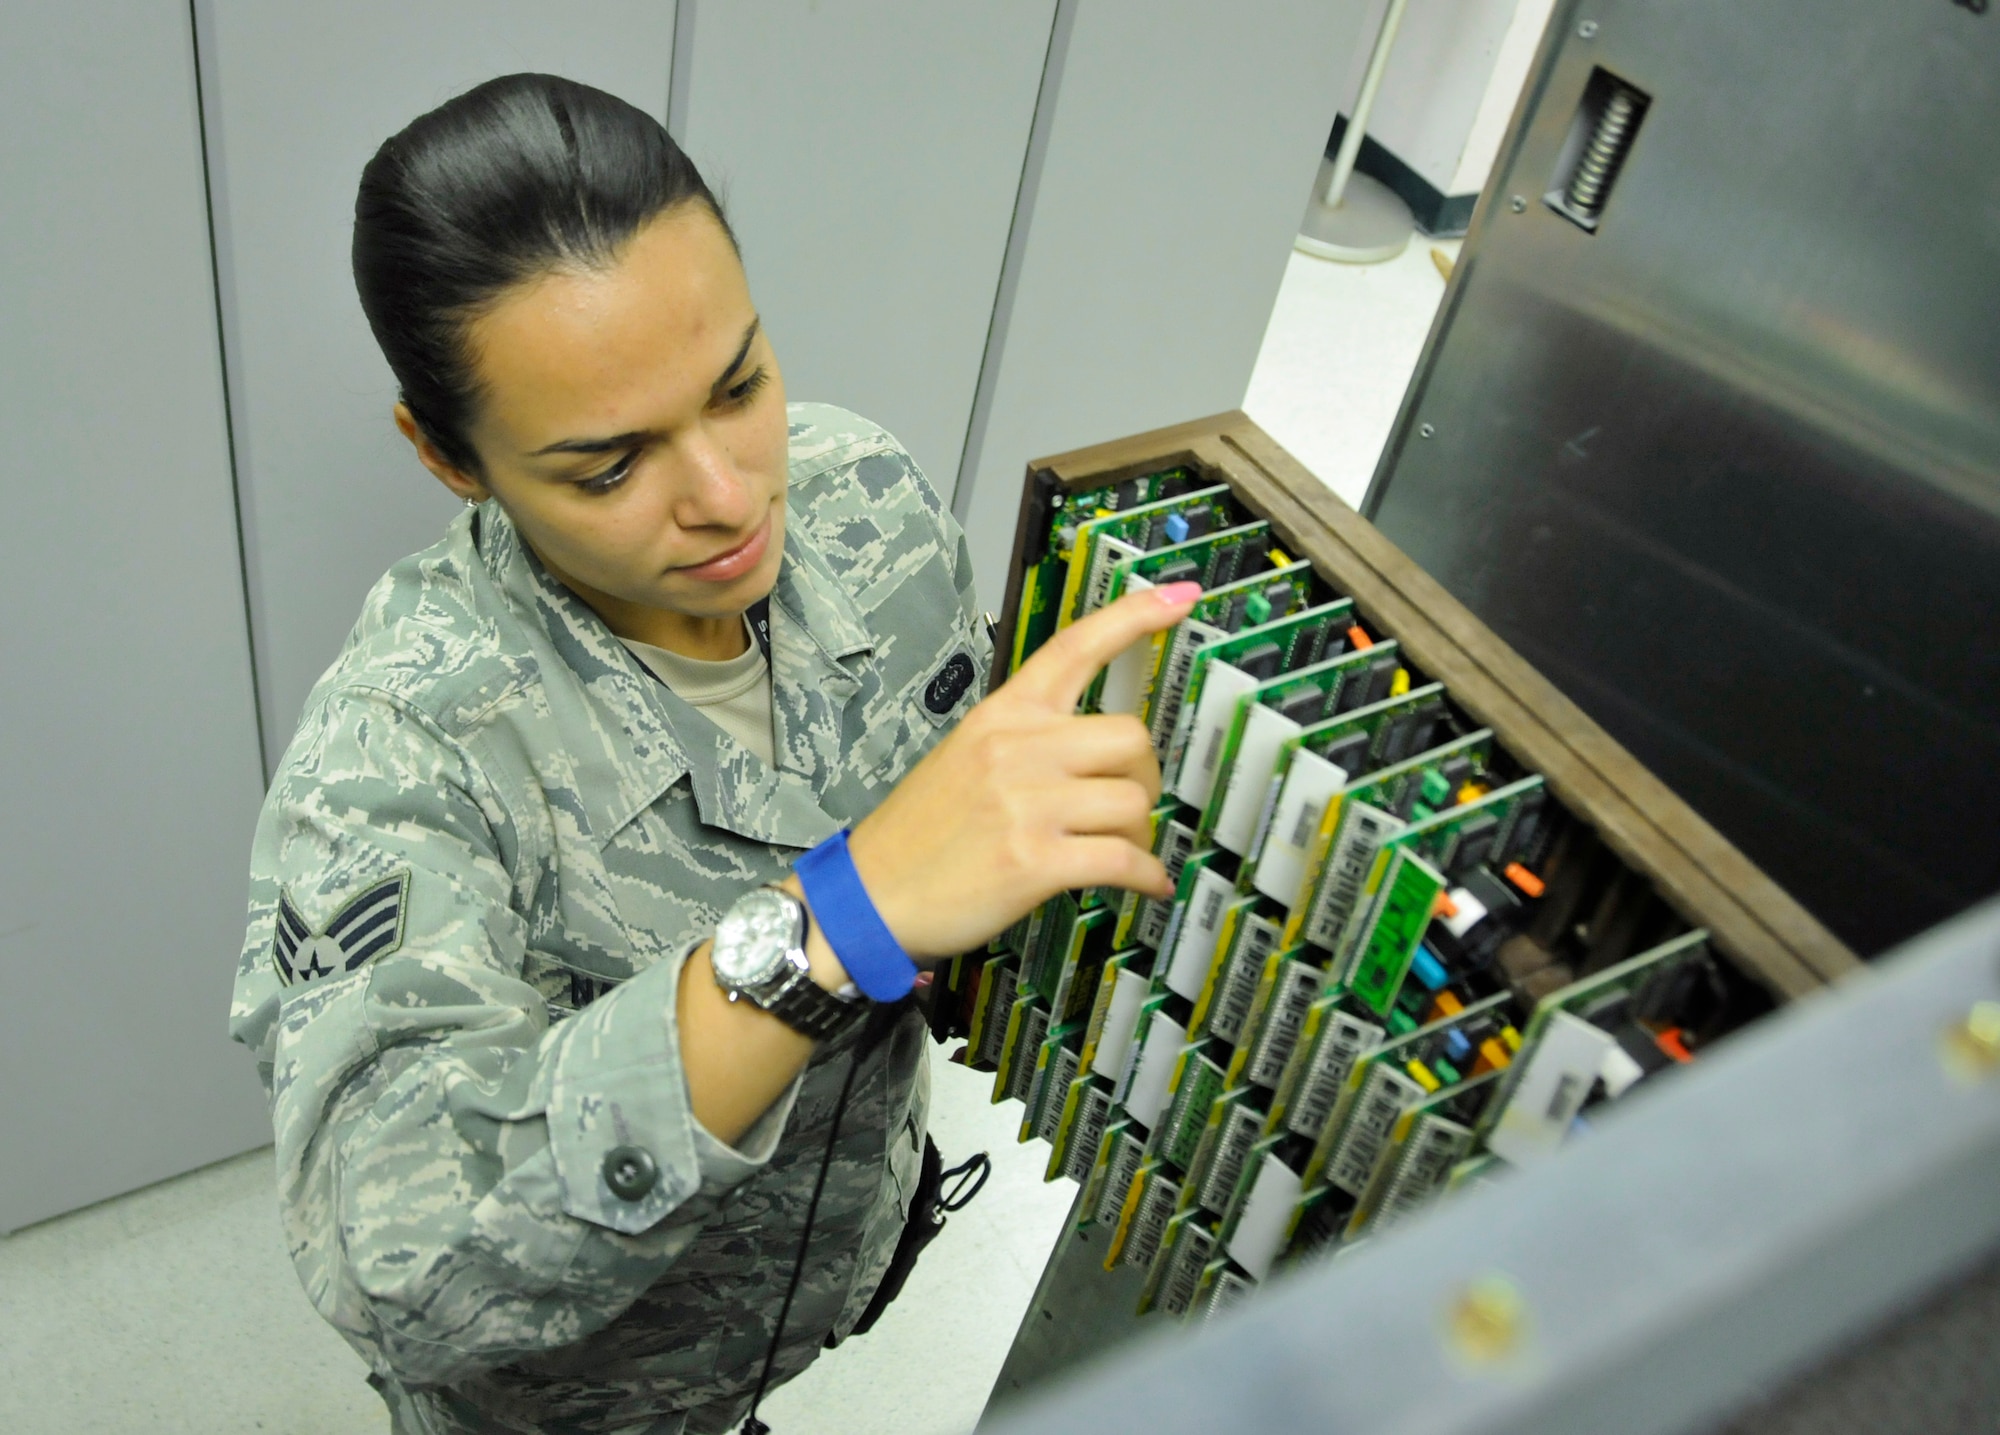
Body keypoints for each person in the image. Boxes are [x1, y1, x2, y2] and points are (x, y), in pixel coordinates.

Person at [229, 73, 1199, 1435]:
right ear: (450, 457)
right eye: (607, 467)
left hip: (806, 1287)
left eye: (739, 384)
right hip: (586, 1397)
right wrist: (837, 918)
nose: (732, 496)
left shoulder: (867, 497)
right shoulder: (408, 750)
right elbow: (401, 1263)